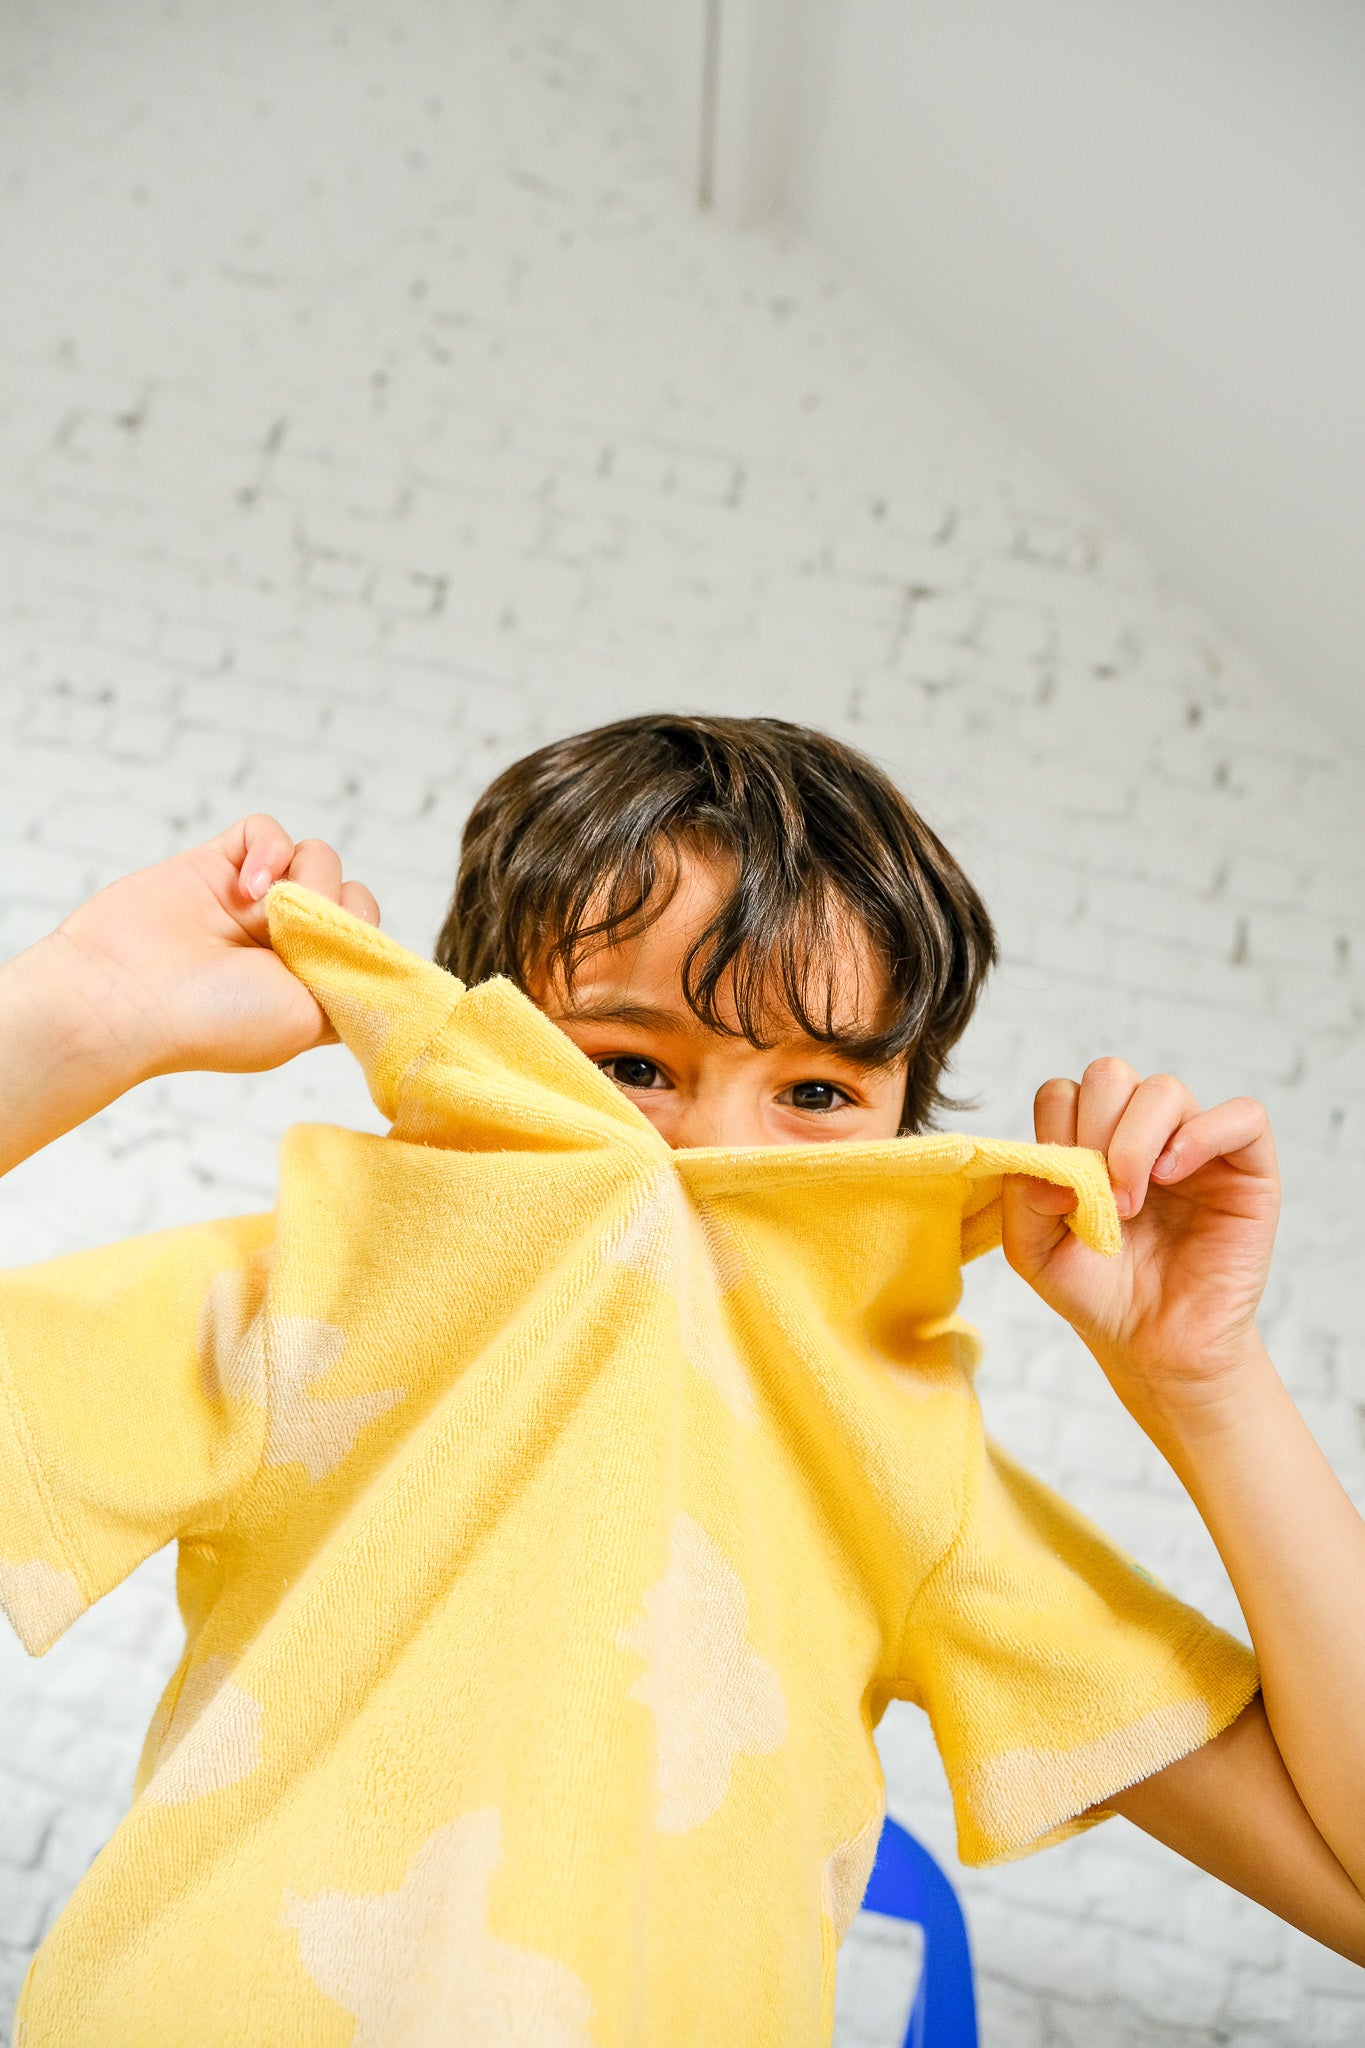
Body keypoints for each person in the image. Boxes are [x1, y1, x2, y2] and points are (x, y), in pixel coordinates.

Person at [0, 713, 1361, 2047]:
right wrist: (86, 1012)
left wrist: (1206, 1384)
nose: (702, 1159)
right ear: (493, 1055)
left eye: (817, 1092)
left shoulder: (898, 1458)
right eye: (633, 1067)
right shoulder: (316, 1288)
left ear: (899, 1117)